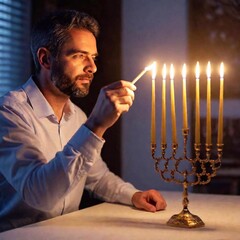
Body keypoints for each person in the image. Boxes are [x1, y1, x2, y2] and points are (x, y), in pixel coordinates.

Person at [0, 9, 166, 232]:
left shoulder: (77, 115)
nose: (92, 68)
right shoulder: (10, 113)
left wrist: (134, 195)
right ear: (45, 58)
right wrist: (96, 125)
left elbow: (95, 177)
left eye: (93, 57)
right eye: (79, 56)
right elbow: (39, 195)